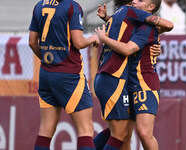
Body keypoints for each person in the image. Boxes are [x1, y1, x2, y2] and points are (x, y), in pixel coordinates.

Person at [93, 0, 173, 150]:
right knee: (122, 134)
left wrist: (104, 38)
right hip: (126, 83)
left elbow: (128, 49)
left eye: (141, 0)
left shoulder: (148, 27)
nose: (135, 0)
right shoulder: (135, 22)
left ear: (151, 7)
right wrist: (107, 19)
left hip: (144, 84)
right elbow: (122, 23)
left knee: (143, 133)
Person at [28, 0, 99, 150]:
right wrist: (94, 38)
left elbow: (32, 42)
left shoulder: (39, 6)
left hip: (46, 73)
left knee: (45, 130)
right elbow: (78, 43)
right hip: (69, 74)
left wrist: (49, 60)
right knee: (85, 129)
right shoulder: (72, 6)